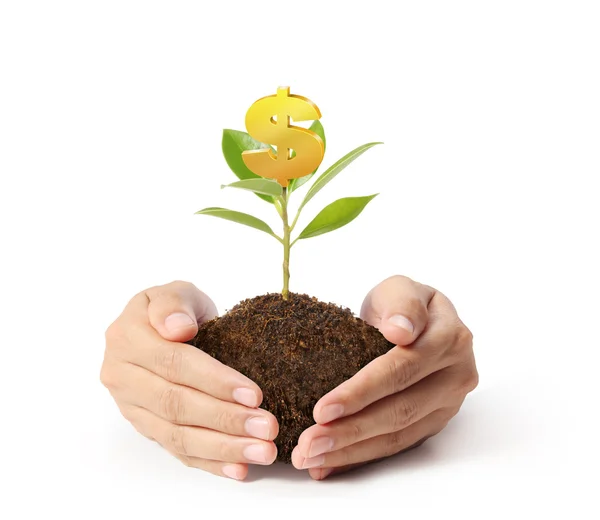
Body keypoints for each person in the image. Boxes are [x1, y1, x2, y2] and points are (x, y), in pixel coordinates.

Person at [100, 275, 478, 481]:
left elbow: (421, 339)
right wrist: (159, 343)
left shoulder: (372, 345)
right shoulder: (206, 340)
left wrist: (423, 348)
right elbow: (156, 339)